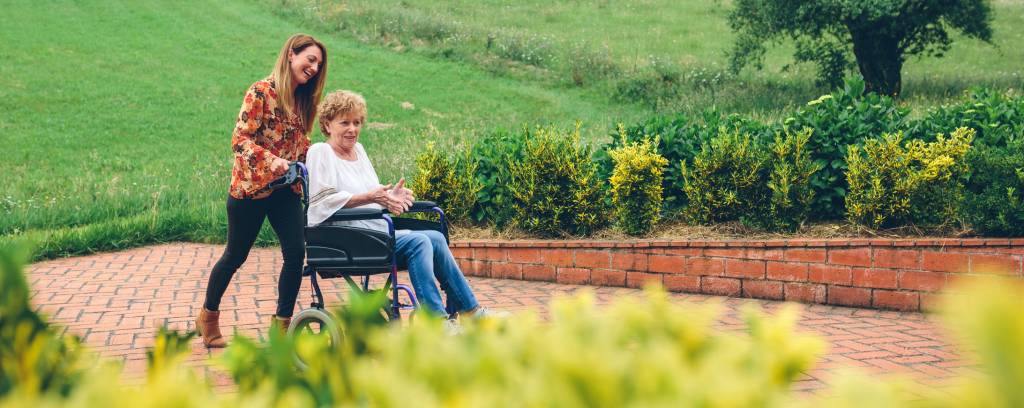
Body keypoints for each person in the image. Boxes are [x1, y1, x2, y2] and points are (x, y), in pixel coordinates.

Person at [306, 90, 500, 324]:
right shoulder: (321, 152)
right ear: (327, 124)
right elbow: (321, 202)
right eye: (344, 122)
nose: (352, 129)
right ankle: (436, 320)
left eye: (357, 123)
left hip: (374, 234)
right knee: (419, 242)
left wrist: (389, 195)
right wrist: (372, 196)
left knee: (435, 237)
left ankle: (472, 312)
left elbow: (372, 192)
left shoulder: (360, 151)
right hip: (346, 239)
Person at [196, 34, 328, 348]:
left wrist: (322, 158)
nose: (313, 68)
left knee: (295, 254)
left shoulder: (303, 102)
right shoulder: (261, 91)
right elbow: (239, 141)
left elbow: (300, 145)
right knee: (235, 256)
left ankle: (280, 332)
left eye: (318, 65)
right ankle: (208, 316)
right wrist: (273, 161)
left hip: (286, 191)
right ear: (291, 55)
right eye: (309, 59)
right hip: (251, 189)